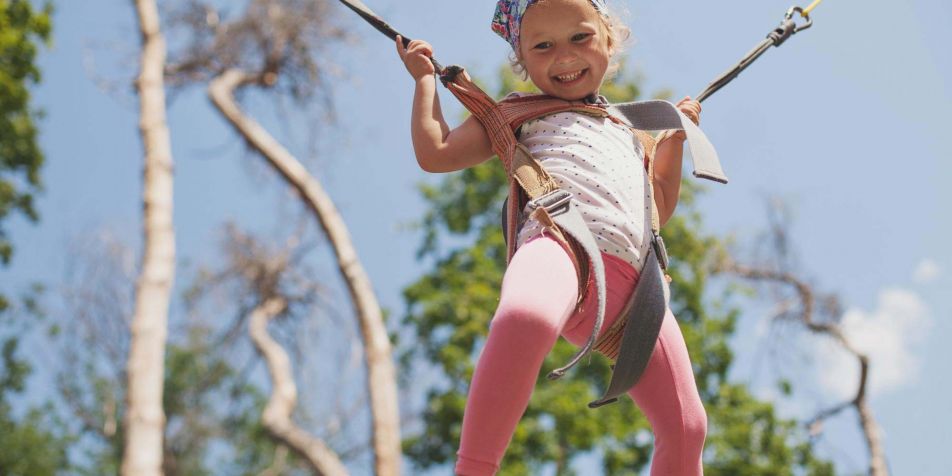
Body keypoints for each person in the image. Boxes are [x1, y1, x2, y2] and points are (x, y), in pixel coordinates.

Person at [396, 0, 708, 474]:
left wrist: (674, 143)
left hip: (637, 292)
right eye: (543, 46)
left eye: (579, 38)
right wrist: (423, 80)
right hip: (560, 246)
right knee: (525, 318)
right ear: (521, 58)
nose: (564, 56)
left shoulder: (628, 130)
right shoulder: (517, 113)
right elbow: (437, 152)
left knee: (687, 426)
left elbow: (658, 205)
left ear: (608, 39)